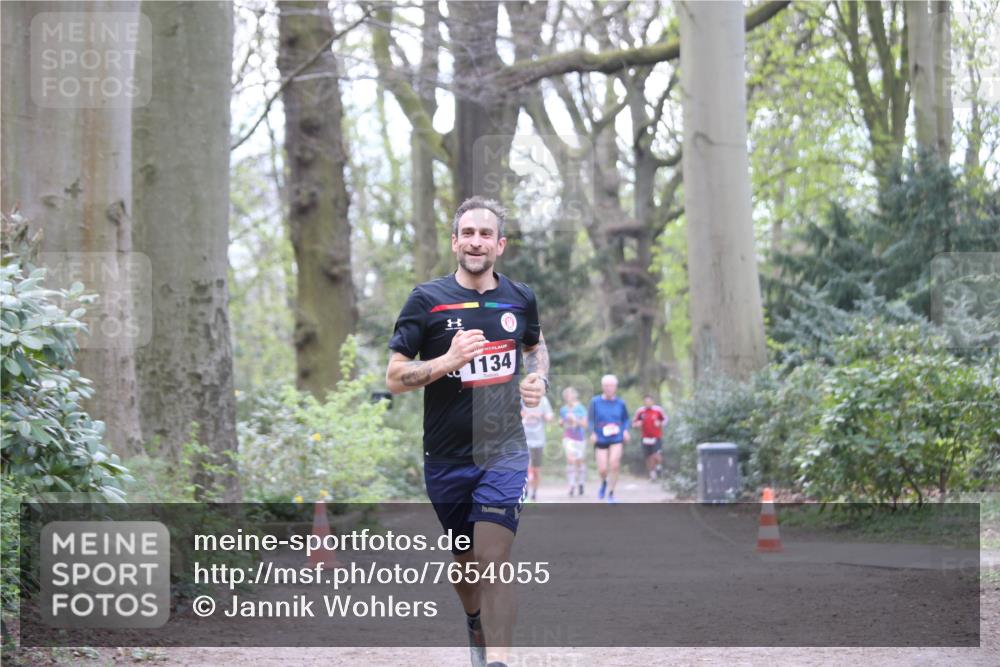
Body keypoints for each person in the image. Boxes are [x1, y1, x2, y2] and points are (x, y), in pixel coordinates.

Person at [386, 196, 548, 667]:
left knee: (493, 555)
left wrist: (538, 378)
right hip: (446, 458)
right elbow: (395, 377)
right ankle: (474, 621)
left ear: (500, 245)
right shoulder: (427, 301)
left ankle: (497, 660)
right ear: (455, 241)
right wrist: (447, 361)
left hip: (505, 451)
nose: (477, 242)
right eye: (468, 234)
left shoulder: (519, 298)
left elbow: (537, 348)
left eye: (486, 234)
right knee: (466, 563)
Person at [588, 375, 629, 503]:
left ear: (615, 387)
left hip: (616, 436)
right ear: (602, 387)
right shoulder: (595, 402)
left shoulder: (621, 403)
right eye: (606, 386)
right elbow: (590, 419)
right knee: (602, 469)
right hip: (601, 437)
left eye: (611, 386)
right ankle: (604, 482)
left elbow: (626, 419)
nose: (609, 388)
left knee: (614, 464)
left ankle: (611, 493)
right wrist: (592, 432)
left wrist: (626, 430)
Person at [521, 395, 554, 502]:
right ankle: (525, 493)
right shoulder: (522, 399)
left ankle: (534, 493)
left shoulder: (543, 400)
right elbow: (516, 414)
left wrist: (539, 415)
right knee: (527, 466)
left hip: (539, 440)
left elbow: (550, 417)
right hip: (524, 440)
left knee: (536, 470)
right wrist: (524, 414)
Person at [559, 387, 588, 497]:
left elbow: (585, 425)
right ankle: (571, 485)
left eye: (570, 395)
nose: (568, 397)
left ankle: (581, 483)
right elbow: (563, 423)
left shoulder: (581, 408)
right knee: (570, 459)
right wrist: (562, 423)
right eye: (566, 396)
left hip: (579, 438)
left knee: (579, 462)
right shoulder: (563, 409)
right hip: (568, 437)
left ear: (574, 396)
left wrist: (575, 419)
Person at [633, 394, 667, 481]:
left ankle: (659, 467)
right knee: (648, 456)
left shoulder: (658, 410)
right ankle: (652, 474)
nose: (647, 403)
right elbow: (634, 423)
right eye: (646, 401)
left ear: (652, 402)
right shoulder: (640, 412)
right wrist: (637, 424)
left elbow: (665, 420)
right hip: (645, 437)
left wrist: (660, 423)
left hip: (656, 437)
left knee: (656, 455)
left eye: (649, 401)